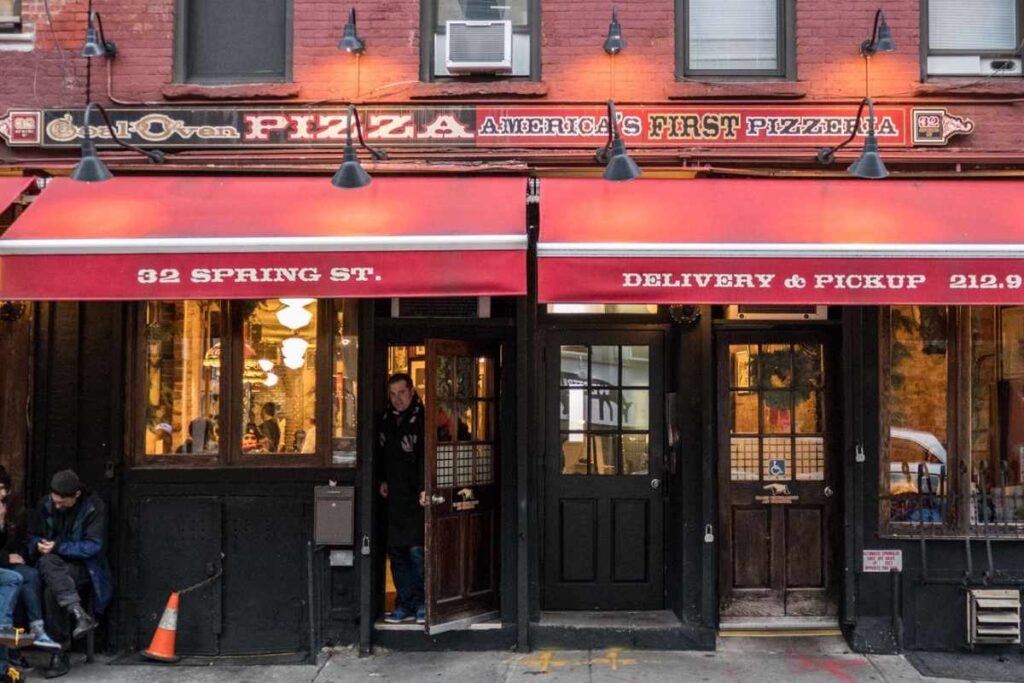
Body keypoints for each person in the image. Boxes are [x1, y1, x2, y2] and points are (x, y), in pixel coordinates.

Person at [28, 470, 111, 679]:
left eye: (61, 502)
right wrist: (38, 545)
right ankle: (77, 613)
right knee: (47, 564)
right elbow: (31, 536)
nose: (56, 506)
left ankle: (59, 652)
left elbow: (93, 546)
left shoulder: (94, 507)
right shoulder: (45, 504)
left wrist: (57, 547)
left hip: (81, 566)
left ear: (76, 494)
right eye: (54, 501)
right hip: (50, 564)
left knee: (51, 591)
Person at [378, 373, 427, 625]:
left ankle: (422, 602)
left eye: (402, 393)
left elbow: (427, 459)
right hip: (395, 498)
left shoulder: (423, 419)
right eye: (393, 394)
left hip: (418, 497)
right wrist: (383, 480)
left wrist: (426, 487)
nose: (397, 399)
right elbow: (382, 455)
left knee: (417, 551)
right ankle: (404, 602)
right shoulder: (386, 421)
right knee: (396, 553)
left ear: (412, 391)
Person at [0, 466, 60, 654]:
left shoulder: (9, 508)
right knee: (14, 579)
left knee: (29, 575)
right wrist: (5, 557)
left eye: (5, 488)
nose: (2, 493)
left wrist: (2, 524)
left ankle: (36, 629)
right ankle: (9, 642)